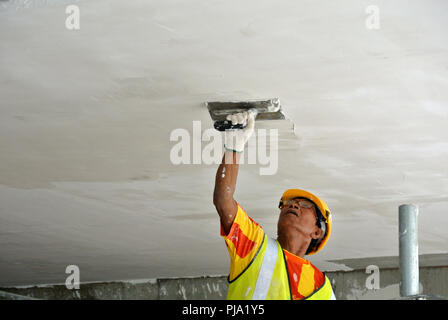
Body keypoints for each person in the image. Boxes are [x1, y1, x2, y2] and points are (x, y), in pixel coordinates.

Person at [213, 110, 336, 300]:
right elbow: (224, 201)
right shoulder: (255, 246)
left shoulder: (321, 288)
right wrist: (233, 148)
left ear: (316, 231)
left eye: (304, 204)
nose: (293, 205)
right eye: (287, 203)